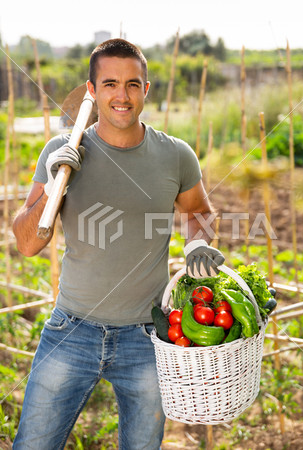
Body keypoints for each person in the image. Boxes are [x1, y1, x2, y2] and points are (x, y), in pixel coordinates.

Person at [12, 38, 224, 449]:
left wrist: (197, 244)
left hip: (146, 339)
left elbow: (200, 213)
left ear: (146, 90)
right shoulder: (62, 149)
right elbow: (27, 244)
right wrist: (54, 182)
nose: (121, 96)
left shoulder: (175, 155)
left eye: (132, 84)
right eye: (109, 84)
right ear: (92, 91)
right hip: (70, 329)